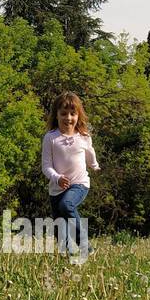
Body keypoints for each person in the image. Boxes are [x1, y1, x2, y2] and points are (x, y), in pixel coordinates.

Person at [41, 91, 100, 256]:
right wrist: (57, 178)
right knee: (61, 232)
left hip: (79, 184)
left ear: (78, 115)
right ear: (56, 115)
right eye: (64, 114)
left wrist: (94, 166)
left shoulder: (84, 137)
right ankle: (68, 259)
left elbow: (90, 153)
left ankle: (85, 245)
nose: (68, 118)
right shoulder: (51, 138)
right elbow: (46, 166)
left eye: (72, 114)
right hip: (56, 188)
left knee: (67, 205)